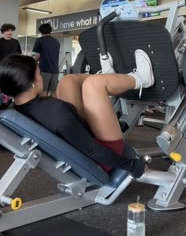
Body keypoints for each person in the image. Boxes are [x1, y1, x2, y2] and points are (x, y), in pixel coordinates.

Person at [0, 50, 154, 178]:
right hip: (101, 155)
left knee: (68, 81)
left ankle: (109, 76)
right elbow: (93, 150)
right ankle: (142, 79)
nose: (41, 77)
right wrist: (133, 166)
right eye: (39, 73)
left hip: (79, 139)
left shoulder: (17, 108)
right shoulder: (54, 112)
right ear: (32, 82)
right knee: (93, 84)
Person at [33, 23, 60, 97]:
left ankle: (43, 107)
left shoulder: (39, 40)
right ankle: (52, 107)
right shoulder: (56, 42)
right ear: (50, 31)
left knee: (43, 91)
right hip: (55, 70)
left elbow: (38, 55)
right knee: (53, 91)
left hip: (44, 70)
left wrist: (32, 63)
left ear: (40, 31)